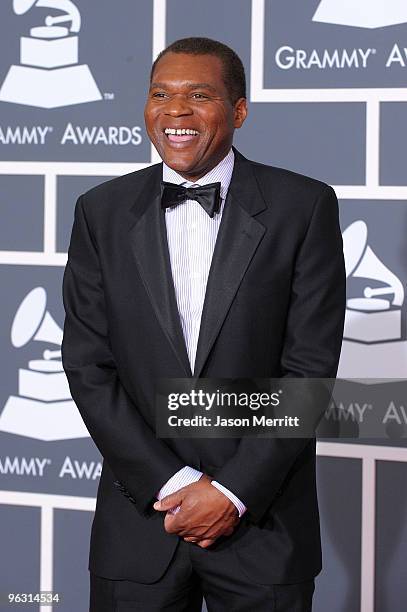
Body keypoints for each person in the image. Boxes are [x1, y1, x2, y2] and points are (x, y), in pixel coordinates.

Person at [61, 37, 346, 612]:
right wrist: (170, 485)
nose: (175, 111)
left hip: (262, 528)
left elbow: (308, 370)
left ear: (239, 111)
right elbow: (89, 365)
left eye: (198, 95)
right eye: (160, 94)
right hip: (141, 523)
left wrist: (234, 491)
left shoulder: (304, 206)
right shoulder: (101, 212)